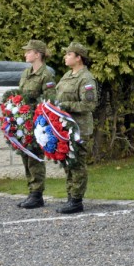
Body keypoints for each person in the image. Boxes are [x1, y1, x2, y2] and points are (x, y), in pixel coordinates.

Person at [54, 42, 98, 214]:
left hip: (79, 128)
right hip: (66, 128)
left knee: (77, 163)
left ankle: (76, 200)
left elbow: (89, 104)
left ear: (78, 57)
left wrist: (65, 105)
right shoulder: (67, 76)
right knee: (68, 163)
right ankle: (70, 197)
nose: (65, 57)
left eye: (69, 54)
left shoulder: (86, 78)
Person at [16, 39, 56, 209]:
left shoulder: (46, 75)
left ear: (37, 54)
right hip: (24, 121)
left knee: (34, 156)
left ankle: (37, 194)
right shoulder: (26, 73)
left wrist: (35, 111)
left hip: (37, 121)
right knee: (25, 155)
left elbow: (50, 100)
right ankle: (31, 191)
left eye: (29, 51)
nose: (26, 54)